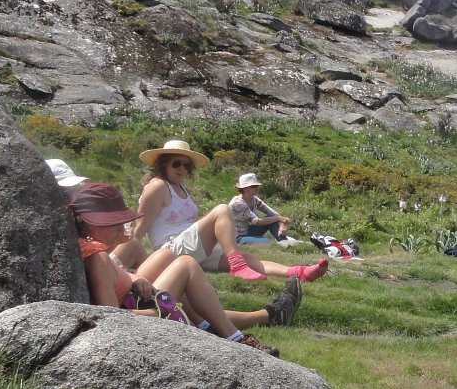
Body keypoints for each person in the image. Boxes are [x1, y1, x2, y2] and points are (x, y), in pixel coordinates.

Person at [69, 182, 299, 356]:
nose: (120, 229)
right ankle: (234, 336)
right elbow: (110, 319)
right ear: (92, 223)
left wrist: (134, 278)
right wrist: (159, 311)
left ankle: (220, 326)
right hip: (137, 313)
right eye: (112, 224)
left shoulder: (90, 250)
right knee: (186, 265)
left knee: (178, 263)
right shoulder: (98, 258)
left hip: (135, 298)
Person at [121, 140, 328, 283]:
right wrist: (121, 262)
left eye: (187, 165)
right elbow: (139, 229)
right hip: (170, 250)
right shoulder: (157, 186)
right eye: (177, 164)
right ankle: (237, 267)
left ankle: (298, 272)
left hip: (189, 248)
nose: (182, 169)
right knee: (222, 210)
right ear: (163, 164)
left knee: (246, 257)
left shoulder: (180, 188)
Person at [229, 173, 301, 248]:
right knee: (266, 241)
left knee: (271, 218)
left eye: (257, 186)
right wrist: (278, 218)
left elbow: (273, 213)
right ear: (244, 189)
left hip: (248, 230)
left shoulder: (254, 199)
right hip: (238, 236)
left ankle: (284, 242)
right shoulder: (238, 203)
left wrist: (281, 224)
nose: (257, 188)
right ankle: (283, 244)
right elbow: (257, 222)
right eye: (253, 186)